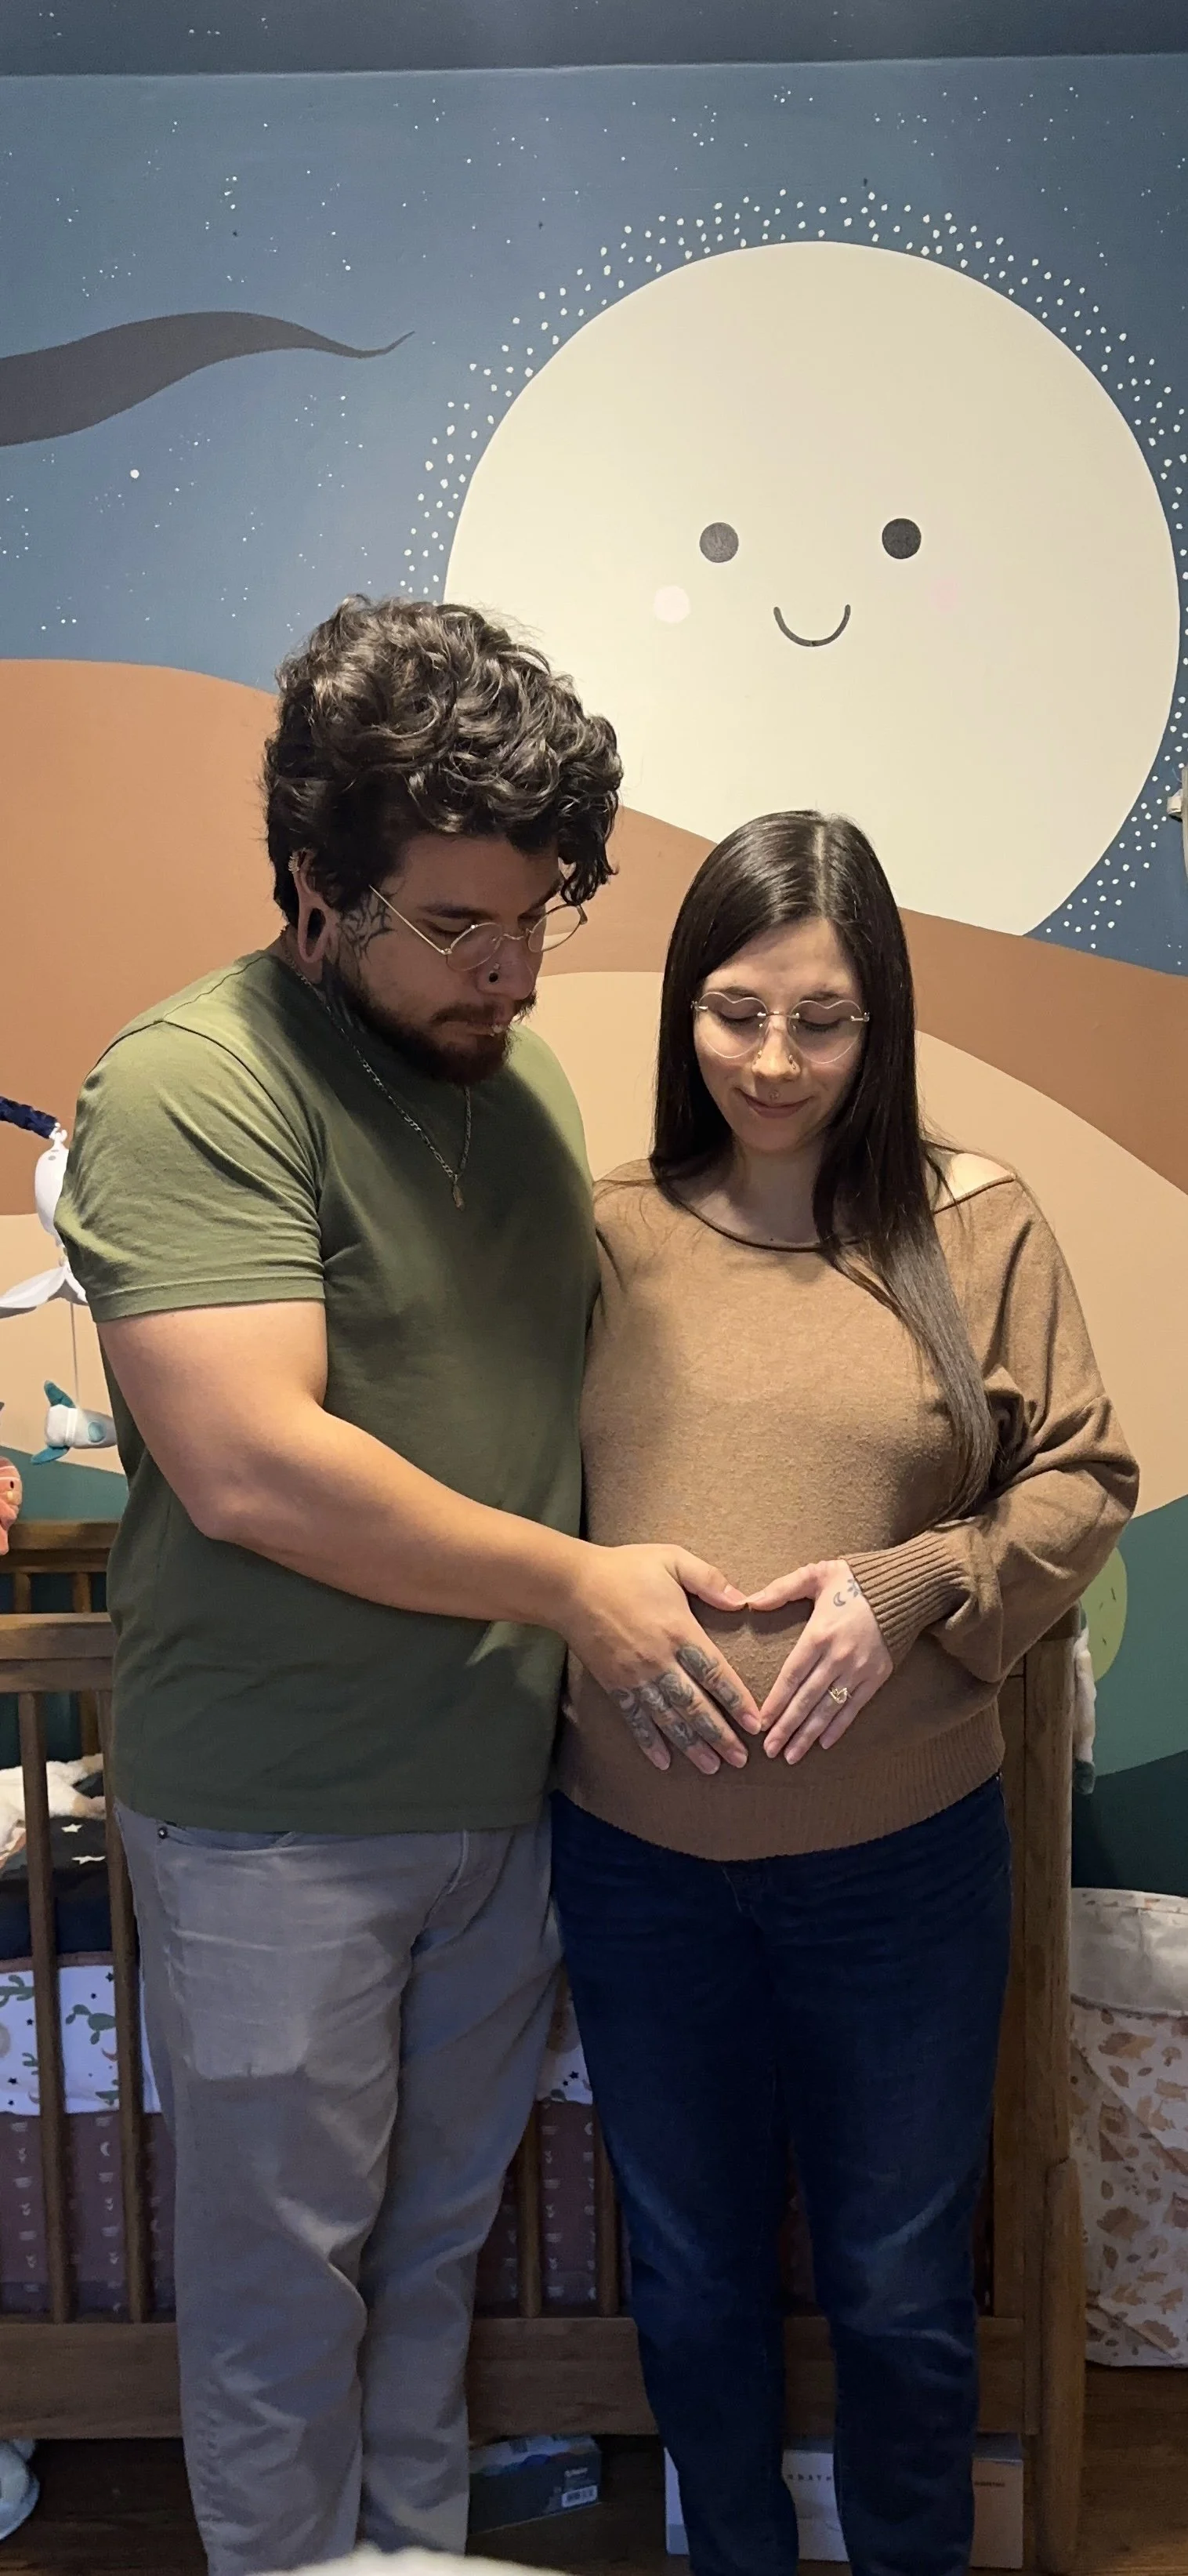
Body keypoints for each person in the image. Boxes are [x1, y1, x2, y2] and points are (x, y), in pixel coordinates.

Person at [55, 597, 758, 2576]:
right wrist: (584, 1589)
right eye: (458, 927)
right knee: (287, 2291)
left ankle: (408, 2551)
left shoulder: (516, 1086)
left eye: (538, 918)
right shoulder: (193, 1085)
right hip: (278, 1807)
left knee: (432, 2257)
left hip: (494, 1787)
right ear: (312, 882)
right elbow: (253, 1459)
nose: (512, 971)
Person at [552, 810, 1139, 2576]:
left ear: (878, 1020)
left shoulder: (974, 1224)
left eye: (821, 1017)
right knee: (690, 2266)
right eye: (735, 1010)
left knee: (896, 2279)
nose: (774, 1058)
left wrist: (909, 1589)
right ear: (683, 1011)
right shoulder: (606, 1232)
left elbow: (1083, 1476)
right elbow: (516, 1507)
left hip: (897, 1864)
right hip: (636, 1865)